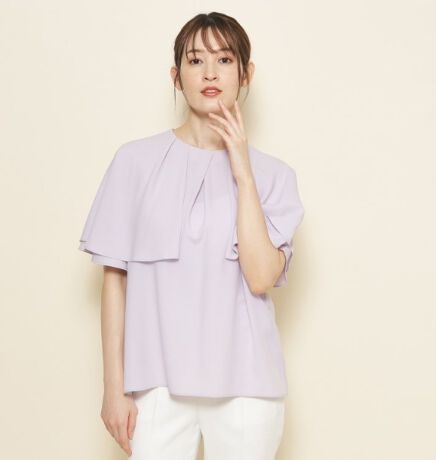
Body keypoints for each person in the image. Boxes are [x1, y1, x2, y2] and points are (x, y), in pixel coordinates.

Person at [78, 12, 305, 460]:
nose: (210, 73)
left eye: (224, 59)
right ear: (176, 76)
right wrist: (113, 388)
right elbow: (115, 281)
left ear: (246, 73)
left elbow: (261, 276)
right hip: (155, 387)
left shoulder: (274, 176)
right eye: (196, 60)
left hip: (248, 390)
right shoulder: (134, 163)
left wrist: (242, 170)